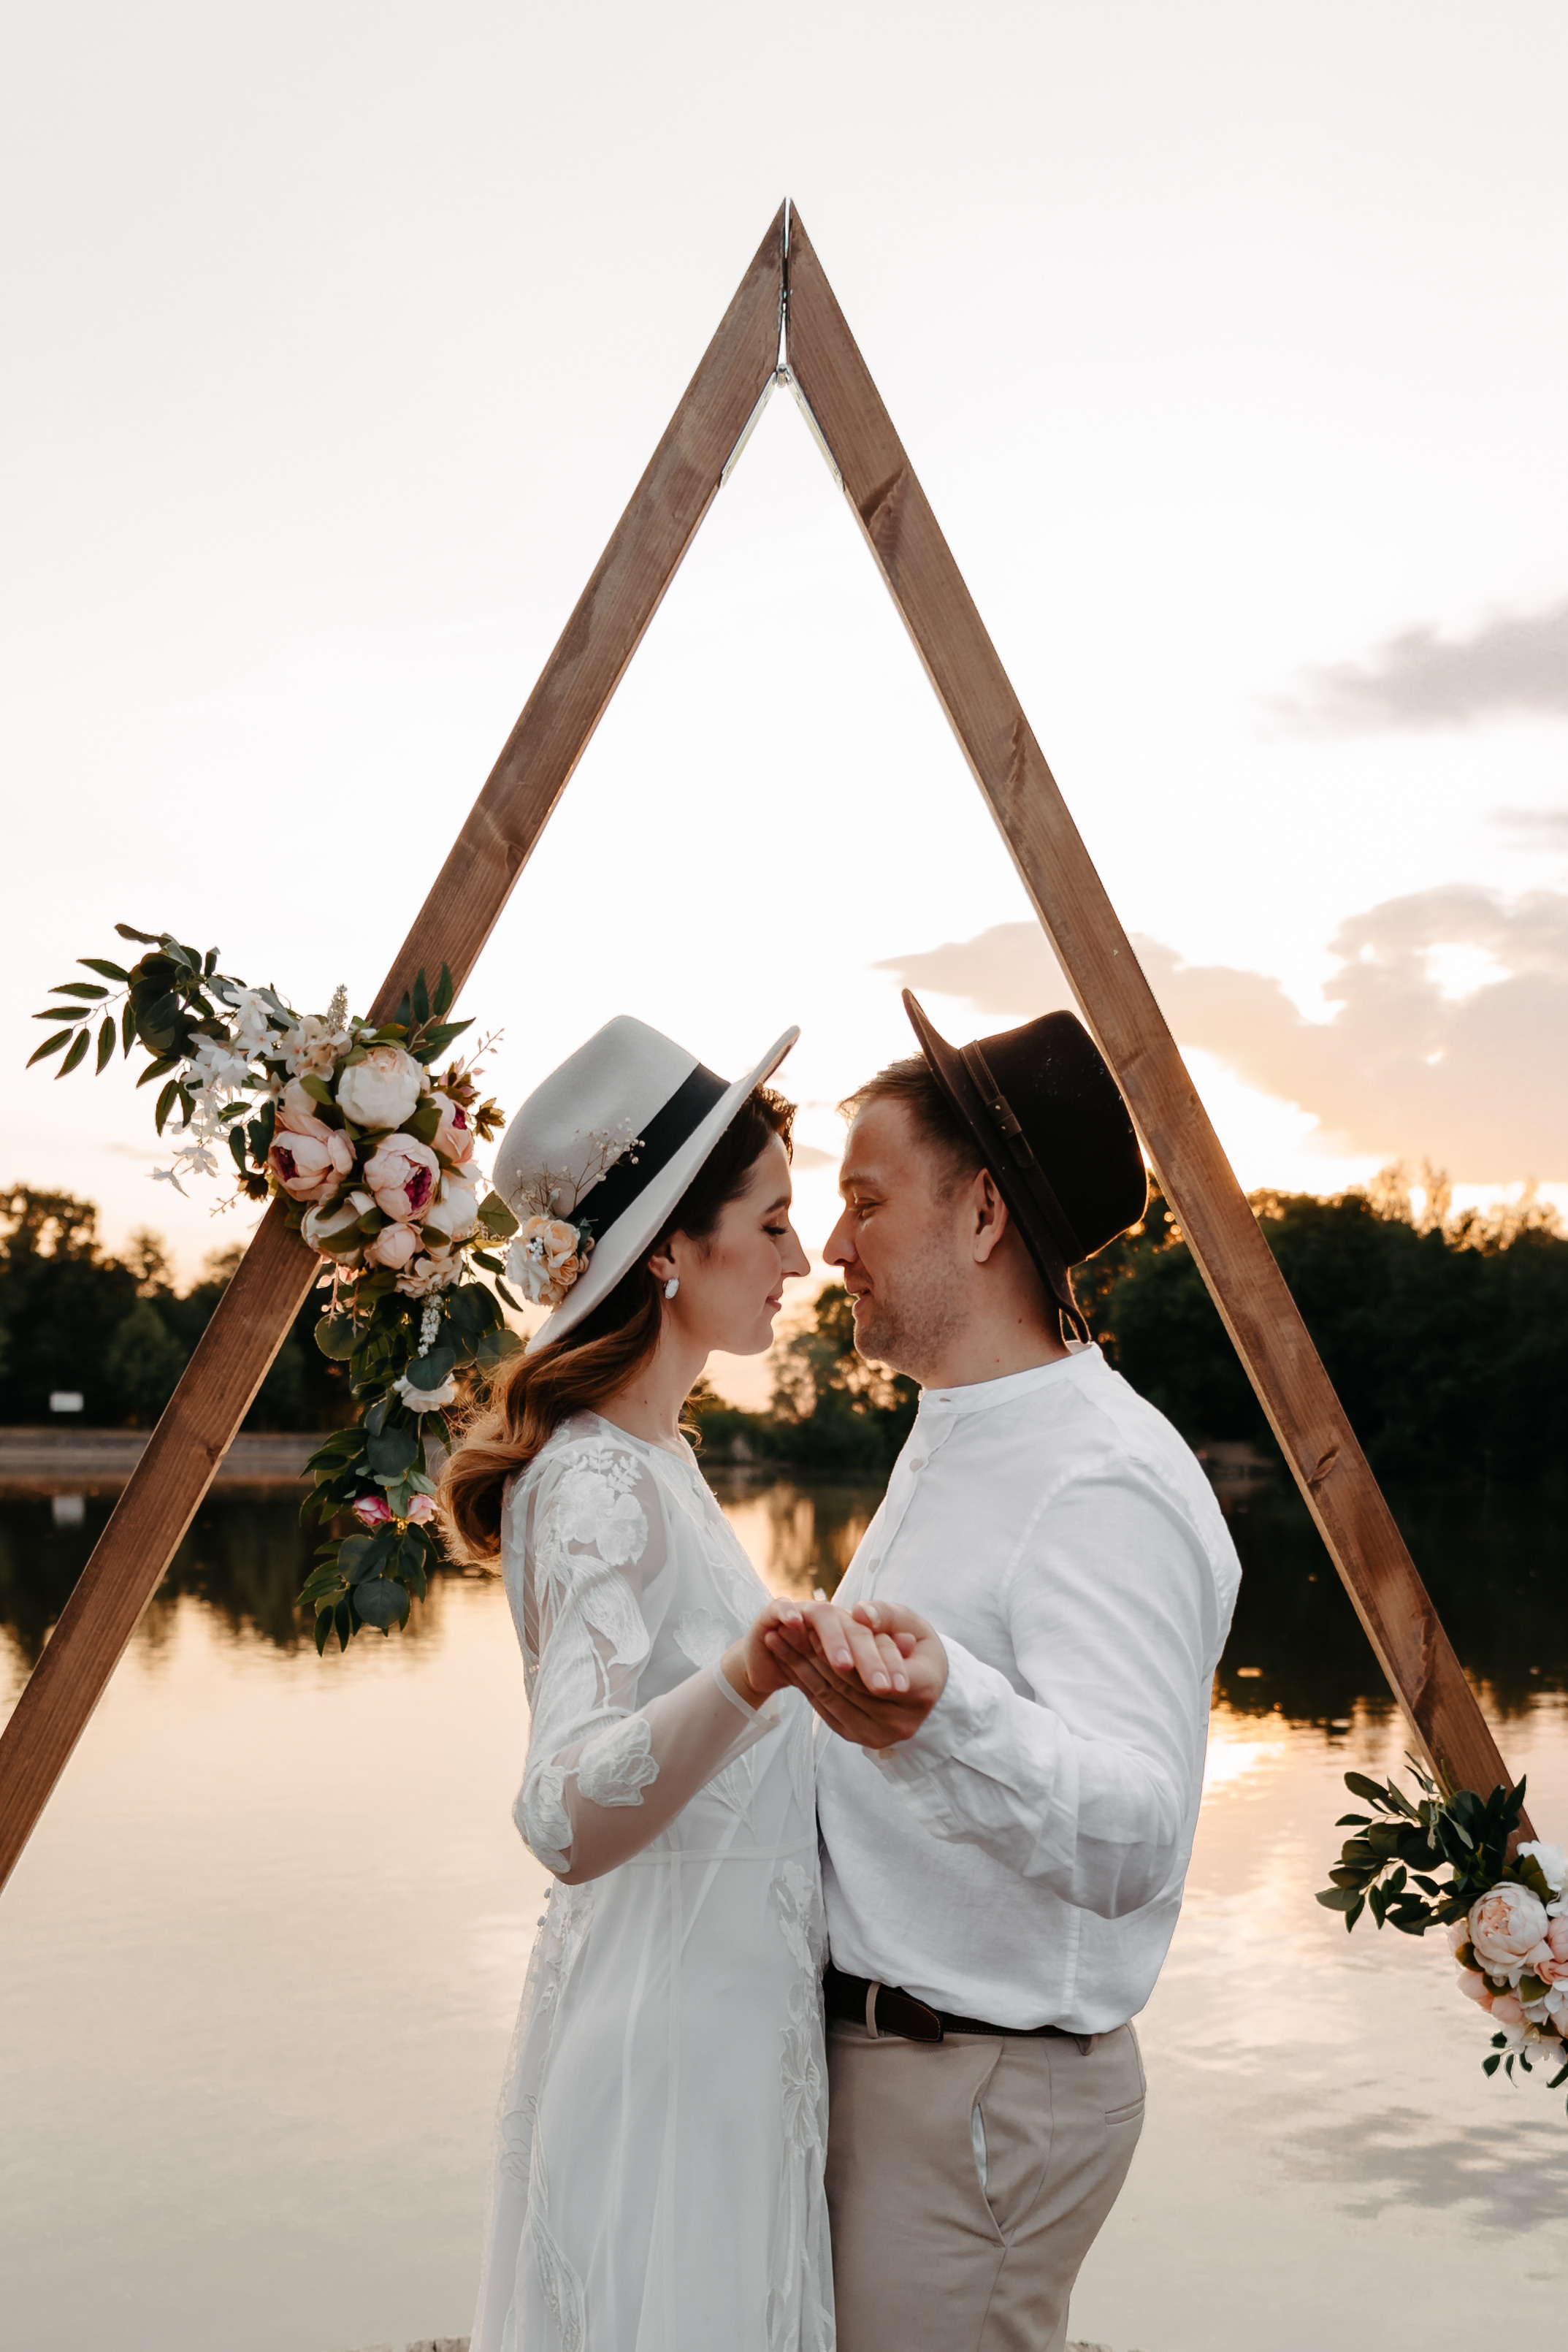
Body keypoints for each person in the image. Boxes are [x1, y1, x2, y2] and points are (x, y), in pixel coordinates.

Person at [763, 993, 1243, 2352]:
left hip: (976, 2093)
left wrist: (938, 1714)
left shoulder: (1100, 1478)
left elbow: (1137, 1832)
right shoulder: (964, 1425)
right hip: (903, 2069)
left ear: (981, 1219)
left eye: (866, 1202)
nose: (832, 1247)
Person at [440, 1013, 909, 2352]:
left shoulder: (663, 1462)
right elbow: (563, 1813)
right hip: (667, 2056)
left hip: (732, 2040)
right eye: (768, 1224)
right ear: (665, 1248)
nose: (799, 1258)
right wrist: (752, 1673)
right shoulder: (590, 1477)